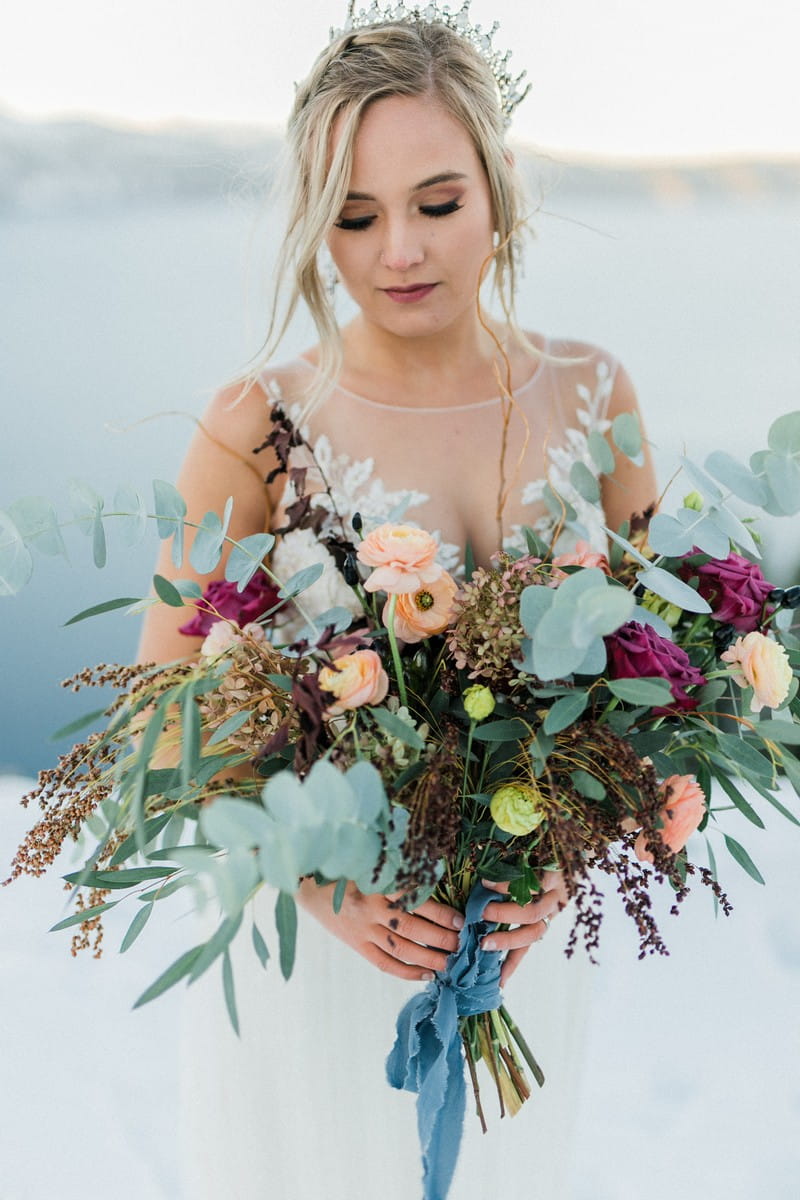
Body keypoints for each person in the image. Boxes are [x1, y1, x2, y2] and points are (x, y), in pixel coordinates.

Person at [138, 6, 657, 1197]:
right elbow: (163, 719)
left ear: (498, 187)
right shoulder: (252, 424)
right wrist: (319, 887)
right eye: (353, 217)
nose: (397, 254)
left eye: (435, 202)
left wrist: (567, 862)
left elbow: (656, 685)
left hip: (518, 952)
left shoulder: (596, 388)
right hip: (331, 956)